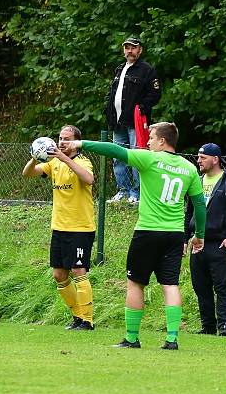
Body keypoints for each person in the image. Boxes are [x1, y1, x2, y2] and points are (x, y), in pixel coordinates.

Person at [65, 122, 206, 350]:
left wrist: (81, 143)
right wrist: (199, 234)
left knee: (135, 284)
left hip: (147, 232)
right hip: (174, 235)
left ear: (162, 141)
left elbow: (114, 150)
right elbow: (199, 205)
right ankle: (172, 340)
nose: (147, 141)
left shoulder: (149, 159)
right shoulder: (189, 168)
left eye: (151, 137)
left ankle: (132, 338)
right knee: (170, 285)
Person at [22, 125, 96, 330]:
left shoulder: (82, 161)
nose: (61, 142)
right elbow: (27, 174)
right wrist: (35, 158)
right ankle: (77, 316)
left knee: (78, 270)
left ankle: (88, 320)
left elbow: (89, 179)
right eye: (60, 138)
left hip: (80, 228)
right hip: (59, 227)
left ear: (75, 142)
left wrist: (65, 159)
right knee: (59, 274)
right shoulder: (52, 162)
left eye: (66, 139)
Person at [184, 143, 226, 337]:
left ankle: (224, 326)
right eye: (198, 157)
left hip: (219, 243)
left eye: (203, 157)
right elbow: (188, 212)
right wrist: (185, 238)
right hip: (197, 242)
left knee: (222, 287)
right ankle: (207, 326)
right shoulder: (196, 181)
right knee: (200, 287)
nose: (198, 161)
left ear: (215, 159)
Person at [105, 36, 162, 205]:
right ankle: (123, 190)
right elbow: (112, 92)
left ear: (140, 50)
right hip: (117, 122)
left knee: (137, 156)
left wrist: (142, 108)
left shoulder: (147, 70)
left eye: (133, 47)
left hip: (135, 122)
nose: (130, 51)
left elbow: (155, 94)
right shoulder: (119, 69)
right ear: (123, 50)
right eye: (127, 47)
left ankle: (137, 192)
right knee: (118, 157)